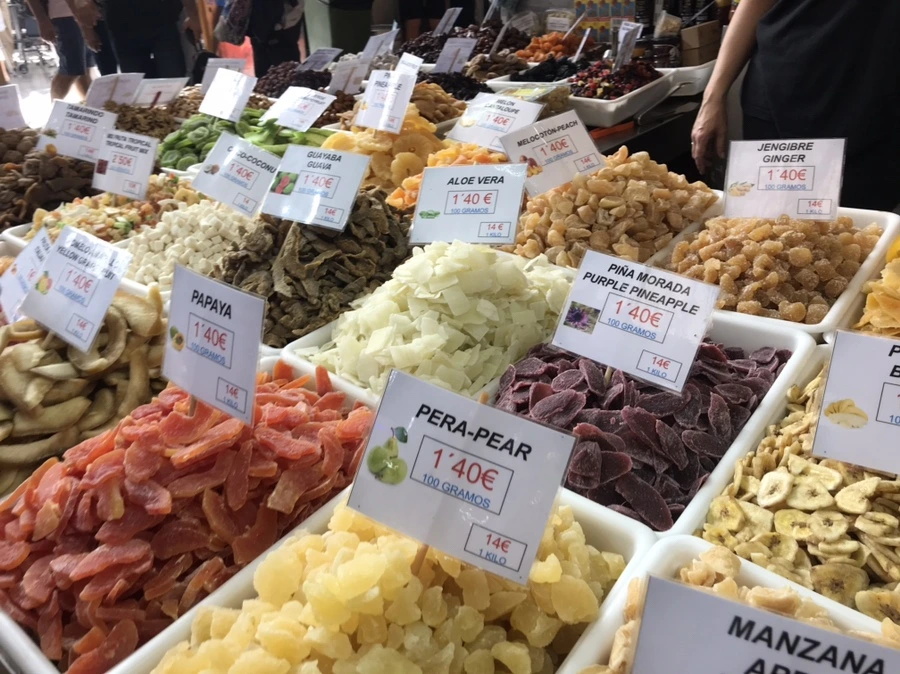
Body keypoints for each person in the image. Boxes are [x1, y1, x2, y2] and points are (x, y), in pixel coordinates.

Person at [691, 0, 900, 212]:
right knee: (764, 224)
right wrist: (712, 98)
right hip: (780, 98)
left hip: (874, 111)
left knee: (864, 227)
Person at [25, 0, 115, 100]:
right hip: (63, 16)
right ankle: (54, 106)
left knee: (84, 69)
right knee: (70, 71)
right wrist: (42, 21)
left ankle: (89, 106)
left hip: (88, 12)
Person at [100, 0, 200, 77]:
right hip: (121, 27)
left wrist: (193, 16)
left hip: (162, 20)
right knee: (135, 87)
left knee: (173, 81)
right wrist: (89, 29)